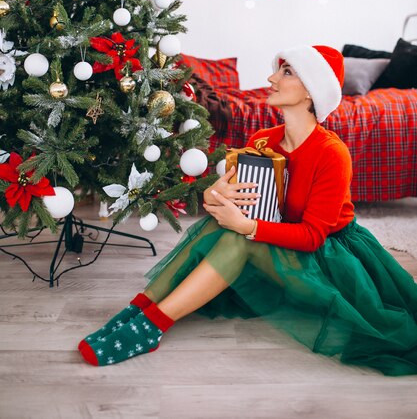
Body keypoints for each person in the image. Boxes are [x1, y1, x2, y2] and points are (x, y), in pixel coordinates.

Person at [78, 45, 417, 376]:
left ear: (311, 92)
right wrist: (214, 194)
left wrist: (247, 226)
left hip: (327, 261)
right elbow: (232, 201)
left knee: (240, 237)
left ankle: (150, 326)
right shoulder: (264, 140)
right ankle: (139, 310)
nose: (271, 78)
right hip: (283, 243)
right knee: (220, 229)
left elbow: (313, 237)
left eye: (286, 72)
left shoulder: (332, 153)